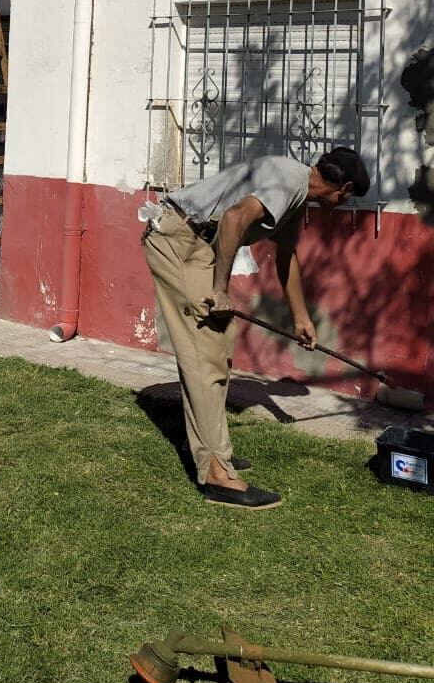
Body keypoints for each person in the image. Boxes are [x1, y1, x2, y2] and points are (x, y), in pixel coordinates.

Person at [140, 146, 370, 510]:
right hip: (179, 241)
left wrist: (300, 317)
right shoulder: (289, 181)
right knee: (206, 351)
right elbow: (233, 219)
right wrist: (219, 289)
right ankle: (216, 472)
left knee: (216, 345)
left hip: (191, 241)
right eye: (349, 198)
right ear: (344, 189)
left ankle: (205, 447)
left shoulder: (295, 191)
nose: (344, 204)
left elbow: (286, 255)